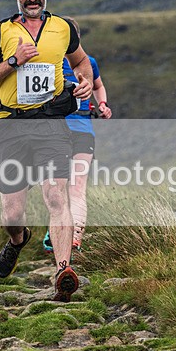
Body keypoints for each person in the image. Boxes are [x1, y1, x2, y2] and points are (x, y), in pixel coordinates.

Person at [0, 0, 93, 302]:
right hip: (12, 126)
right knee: (11, 214)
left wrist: (83, 82)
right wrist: (12, 62)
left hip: (52, 123)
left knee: (57, 196)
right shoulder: (0, 33)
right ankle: (18, 239)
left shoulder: (63, 28)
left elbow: (82, 62)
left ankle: (63, 271)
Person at [43, 18, 112, 255]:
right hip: (55, 132)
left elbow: (98, 85)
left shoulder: (88, 62)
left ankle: (74, 239)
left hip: (81, 130)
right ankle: (64, 231)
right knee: (59, 186)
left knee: (76, 186)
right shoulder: (46, 62)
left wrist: (102, 104)